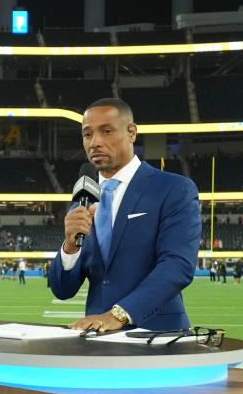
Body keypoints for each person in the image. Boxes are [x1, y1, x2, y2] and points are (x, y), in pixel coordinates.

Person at [48, 98, 198, 332]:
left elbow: (177, 266)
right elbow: (62, 290)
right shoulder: (83, 200)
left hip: (157, 336)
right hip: (98, 339)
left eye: (106, 131)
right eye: (88, 134)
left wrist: (119, 314)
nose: (95, 142)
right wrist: (69, 248)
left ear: (131, 132)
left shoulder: (173, 189)